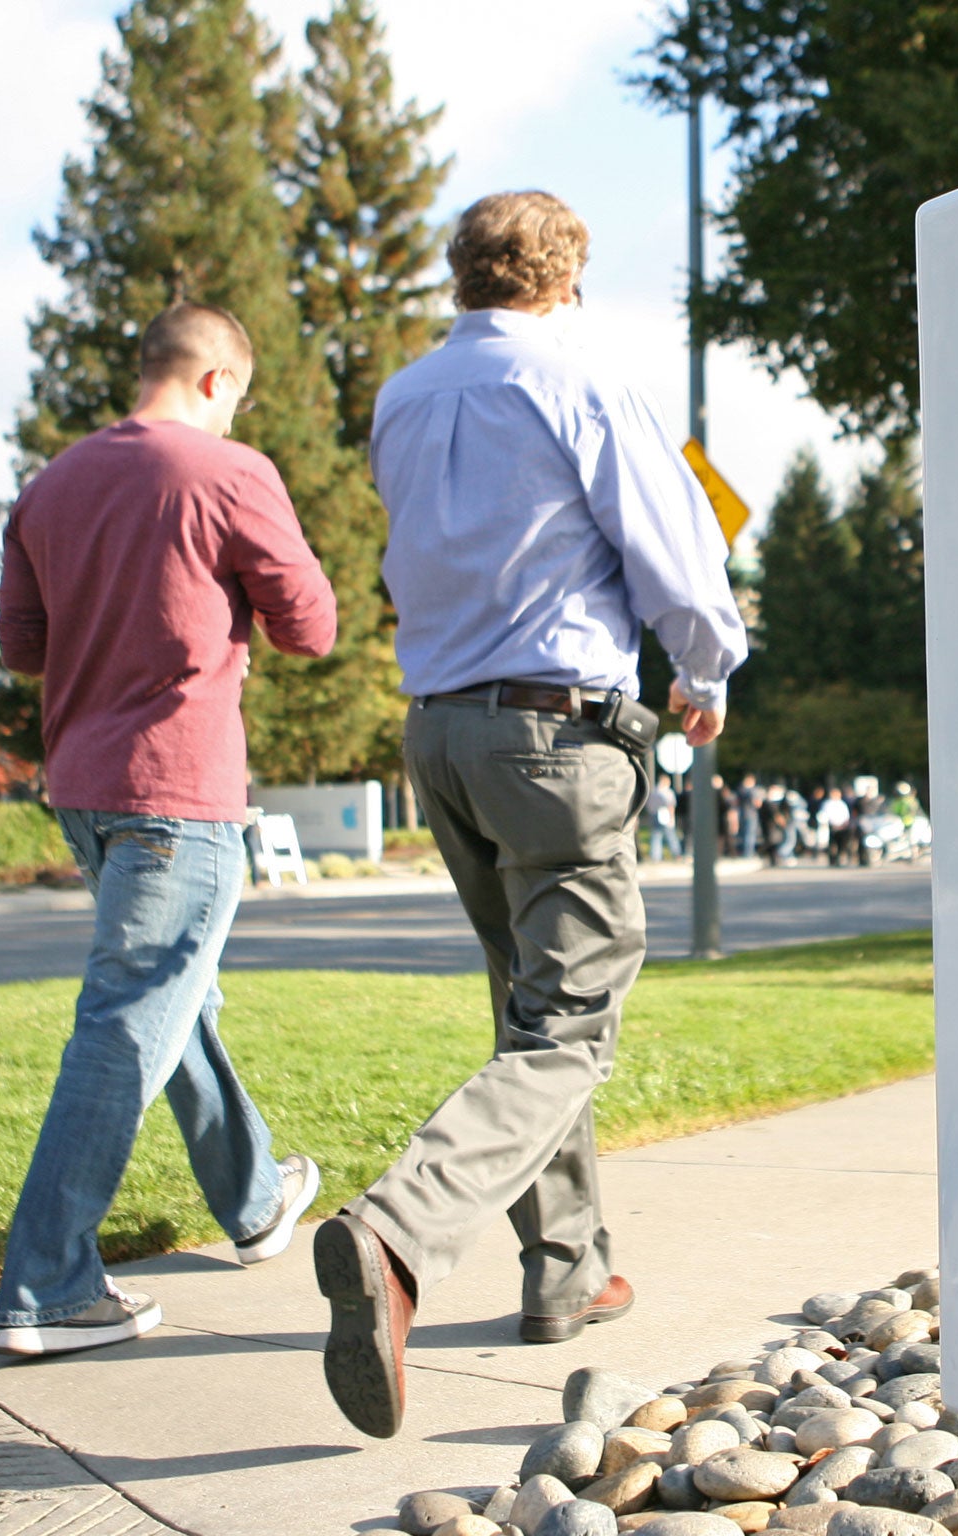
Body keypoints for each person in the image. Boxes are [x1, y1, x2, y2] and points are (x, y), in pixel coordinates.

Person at [314, 190, 748, 1439]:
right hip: (556, 731)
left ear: (465, 277)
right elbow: (674, 554)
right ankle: (396, 1236)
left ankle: (565, 1273)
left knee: (529, 1013)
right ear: (564, 280)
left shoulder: (402, 398)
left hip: (442, 732)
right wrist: (704, 672)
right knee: (568, 1026)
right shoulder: (581, 381)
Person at [0, 301, 336, 1357]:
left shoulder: (48, 486)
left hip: (86, 790)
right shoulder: (229, 473)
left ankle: (252, 1200)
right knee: (128, 1021)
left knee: (169, 1002)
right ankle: (46, 1285)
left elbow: (21, 645)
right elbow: (311, 626)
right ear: (220, 381)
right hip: (175, 790)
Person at [646, 773, 682, 861]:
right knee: (671, 835)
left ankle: (655, 856)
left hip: (655, 815)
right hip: (665, 815)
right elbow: (671, 806)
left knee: (656, 836)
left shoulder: (654, 791)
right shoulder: (668, 792)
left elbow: (649, 805)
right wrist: (672, 818)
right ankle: (676, 853)